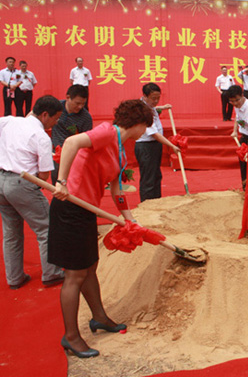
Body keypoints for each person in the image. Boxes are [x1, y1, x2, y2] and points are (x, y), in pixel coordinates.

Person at [48, 99, 153, 358]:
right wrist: (62, 181)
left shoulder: (121, 152)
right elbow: (71, 143)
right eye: (146, 127)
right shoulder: (108, 132)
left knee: (90, 267)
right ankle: (71, 336)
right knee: (74, 275)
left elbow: (117, 191)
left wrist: (130, 219)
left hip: (87, 210)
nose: (145, 132)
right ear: (138, 123)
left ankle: (99, 317)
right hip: (70, 206)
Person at [0, 96, 65, 290]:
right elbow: (44, 175)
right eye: (55, 118)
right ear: (45, 115)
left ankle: (14, 277)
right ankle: (52, 273)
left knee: (11, 233)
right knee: (46, 228)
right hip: (23, 183)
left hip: (1, 181)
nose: (56, 123)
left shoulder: (9, 121)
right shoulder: (41, 136)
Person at [134, 83, 180, 202]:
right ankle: (147, 204)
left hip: (154, 145)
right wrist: (171, 145)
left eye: (158, 98)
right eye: (153, 98)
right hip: (146, 146)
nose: (155, 101)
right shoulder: (143, 111)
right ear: (145, 96)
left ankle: (157, 202)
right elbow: (154, 134)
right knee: (149, 177)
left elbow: (153, 108)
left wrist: (162, 107)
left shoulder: (148, 105)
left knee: (156, 175)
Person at [51, 85, 93, 184]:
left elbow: (87, 142)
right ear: (68, 97)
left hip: (73, 157)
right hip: (56, 154)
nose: (80, 107)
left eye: (83, 104)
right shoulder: (56, 107)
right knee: (56, 184)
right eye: (77, 103)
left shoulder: (86, 117)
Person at [226, 85, 248, 187]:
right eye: (232, 101)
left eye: (237, 100)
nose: (235, 103)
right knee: (243, 164)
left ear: (242, 96)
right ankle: (246, 188)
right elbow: (238, 118)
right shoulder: (238, 105)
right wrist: (235, 131)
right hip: (245, 137)